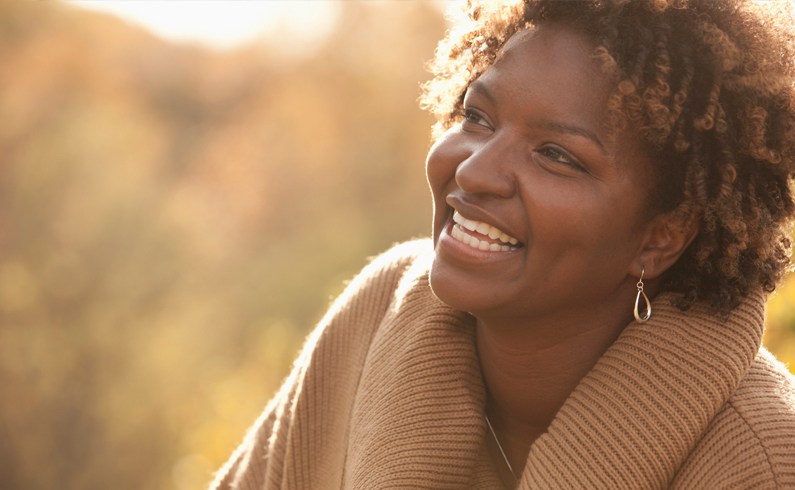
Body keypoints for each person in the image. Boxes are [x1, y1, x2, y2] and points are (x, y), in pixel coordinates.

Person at [210, 1, 795, 488]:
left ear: (661, 237)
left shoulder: (764, 462)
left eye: (556, 156)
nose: (474, 173)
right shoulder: (376, 315)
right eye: (478, 118)